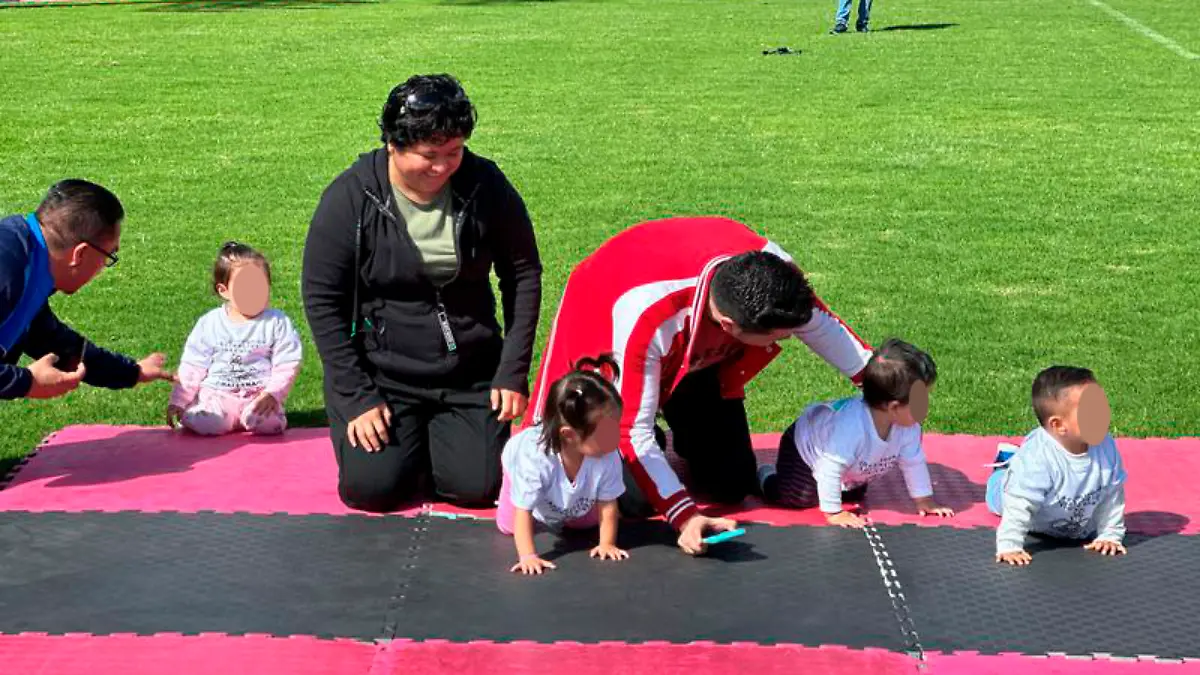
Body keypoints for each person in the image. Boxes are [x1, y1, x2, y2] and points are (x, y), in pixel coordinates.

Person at [523, 216, 874, 555]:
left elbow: (823, 326)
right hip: (613, 332)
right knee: (635, 498)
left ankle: (684, 432)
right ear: (729, 325)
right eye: (779, 337)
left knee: (731, 483)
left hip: (696, 359)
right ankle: (651, 430)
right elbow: (631, 432)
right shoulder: (645, 313)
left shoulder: (775, 274)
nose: (789, 339)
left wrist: (882, 388)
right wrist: (685, 516)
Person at [303, 73, 542, 512]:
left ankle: (437, 446)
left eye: (454, 152)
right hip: (383, 374)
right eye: (429, 155)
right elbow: (321, 299)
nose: (443, 166)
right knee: (373, 490)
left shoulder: (486, 185)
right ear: (393, 145)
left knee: (478, 487)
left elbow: (523, 274)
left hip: (469, 372)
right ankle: (406, 450)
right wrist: (356, 395)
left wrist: (512, 370)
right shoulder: (350, 197)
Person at [0, 179, 173, 401]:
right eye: (109, 255)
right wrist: (26, 382)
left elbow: (53, 341)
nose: (102, 268)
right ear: (80, 254)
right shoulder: (8, 269)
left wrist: (132, 372)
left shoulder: (31, 264)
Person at [757, 338, 956, 527]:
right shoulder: (851, 428)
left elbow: (914, 462)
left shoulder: (909, 427)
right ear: (894, 407)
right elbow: (829, 468)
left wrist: (924, 501)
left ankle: (839, 486)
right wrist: (834, 513)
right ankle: (766, 476)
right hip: (804, 448)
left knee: (853, 494)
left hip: (849, 464)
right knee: (798, 497)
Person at [499, 353, 628, 575]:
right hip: (522, 473)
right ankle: (518, 494)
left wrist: (606, 543)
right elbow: (523, 511)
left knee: (584, 524)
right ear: (568, 434)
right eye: (605, 432)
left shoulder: (607, 453)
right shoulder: (534, 457)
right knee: (510, 526)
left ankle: (565, 509)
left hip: (569, 491)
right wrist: (528, 556)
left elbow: (608, 505)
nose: (614, 437)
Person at [989, 366, 1128, 566]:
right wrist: (1010, 546)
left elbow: (1112, 494)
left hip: (1070, 514)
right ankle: (1006, 463)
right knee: (1001, 493)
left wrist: (1110, 535)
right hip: (1019, 499)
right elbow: (1018, 503)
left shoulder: (1106, 447)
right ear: (1059, 425)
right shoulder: (1038, 459)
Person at [167, 242, 303, 436]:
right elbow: (192, 365)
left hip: (258, 397)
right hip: (218, 396)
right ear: (224, 290)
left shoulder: (277, 321)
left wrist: (273, 394)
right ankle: (202, 414)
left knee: (269, 425)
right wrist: (179, 400)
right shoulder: (210, 323)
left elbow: (287, 362)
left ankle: (258, 416)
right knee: (210, 423)